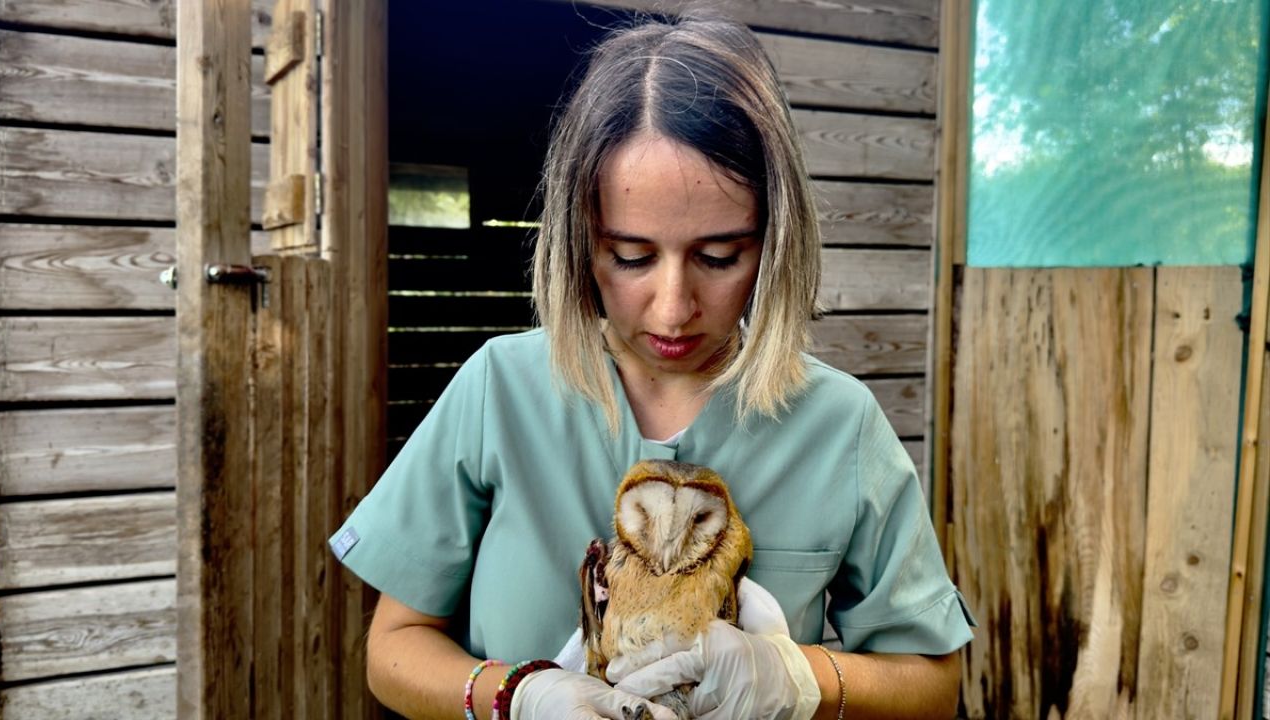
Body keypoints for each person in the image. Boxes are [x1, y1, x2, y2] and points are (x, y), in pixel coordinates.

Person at [329, 10, 974, 720]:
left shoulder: (838, 422)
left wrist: (802, 680)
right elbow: (392, 648)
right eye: (631, 256)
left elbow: (933, 683)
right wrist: (520, 696)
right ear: (580, 240)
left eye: (719, 256)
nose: (672, 310)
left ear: (777, 241)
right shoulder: (499, 388)